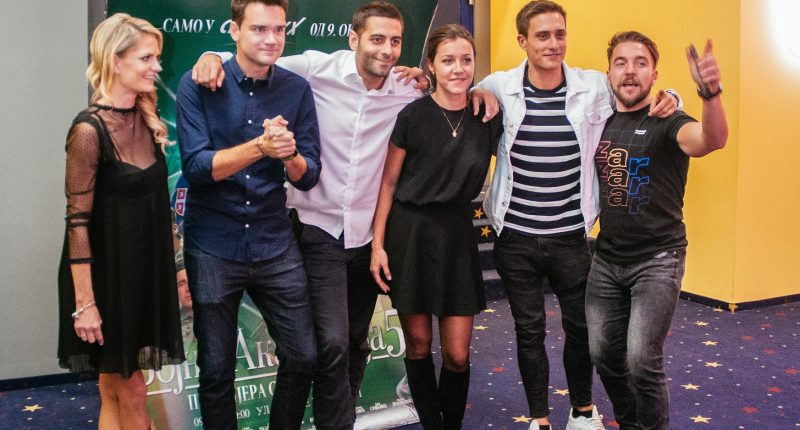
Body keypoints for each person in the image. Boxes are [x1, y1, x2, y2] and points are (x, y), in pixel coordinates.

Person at [191, 2, 497, 427]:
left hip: (368, 235)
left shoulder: (406, 89)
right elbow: (257, 57)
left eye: (395, 41)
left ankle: (339, 421)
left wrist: (478, 90)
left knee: (353, 343)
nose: (387, 49)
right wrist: (212, 56)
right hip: (319, 228)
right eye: (377, 39)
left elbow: (448, 87)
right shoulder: (315, 69)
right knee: (330, 345)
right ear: (354, 39)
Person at [471, 2, 680, 429]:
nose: (554, 43)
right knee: (529, 332)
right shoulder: (499, 85)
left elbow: (637, 89)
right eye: (542, 35)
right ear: (522, 41)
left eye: (560, 34)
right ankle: (539, 418)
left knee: (582, 331)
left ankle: (582, 411)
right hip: (515, 237)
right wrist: (475, 91)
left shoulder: (593, 85)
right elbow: (462, 91)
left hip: (571, 236)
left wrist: (672, 96)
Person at [175, 0, 321, 428]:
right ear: (234, 31)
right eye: (259, 29)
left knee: (303, 356)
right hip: (213, 244)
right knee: (216, 370)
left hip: (275, 242)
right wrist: (260, 147)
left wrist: (289, 153)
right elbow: (198, 169)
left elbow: (308, 175)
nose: (272, 39)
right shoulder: (198, 84)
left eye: (279, 29)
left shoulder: (296, 89)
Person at [587, 32, 727, 430]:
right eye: (621, 63)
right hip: (606, 257)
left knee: (641, 361)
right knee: (603, 356)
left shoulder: (669, 120)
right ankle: (631, 423)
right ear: (608, 73)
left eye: (641, 63)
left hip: (658, 259)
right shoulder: (597, 121)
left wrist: (710, 93)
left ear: (655, 74)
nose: (630, 71)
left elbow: (712, 139)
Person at [370, 24, 503, 429]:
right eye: (447, 60)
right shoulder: (412, 116)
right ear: (431, 65)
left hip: (458, 236)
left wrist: (483, 92)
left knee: (458, 355)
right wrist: (378, 245)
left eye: (466, 60)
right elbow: (388, 183)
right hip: (410, 234)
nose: (458, 68)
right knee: (418, 344)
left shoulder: (487, 115)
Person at [56, 12, 185, 429]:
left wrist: (174, 263)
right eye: (146, 58)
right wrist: (85, 305)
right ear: (115, 60)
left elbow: (157, 206)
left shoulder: (147, 121)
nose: (157, 67)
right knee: (132, 391)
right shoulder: (88, 130)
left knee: (114, 387)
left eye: (157, 58)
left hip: (144, 275)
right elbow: (77, 222)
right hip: (105, 283)